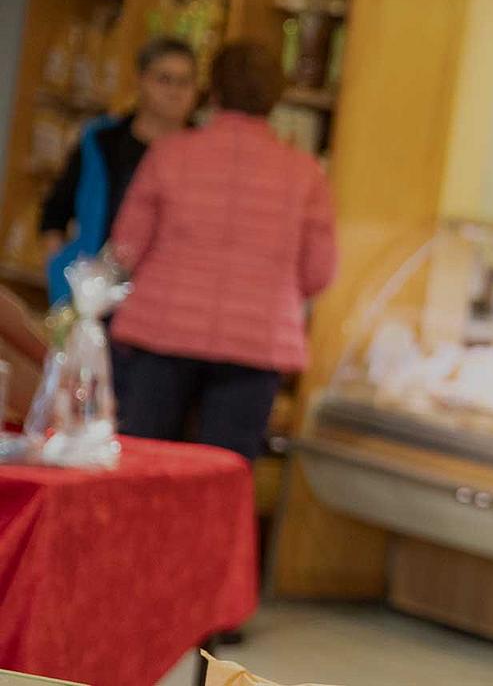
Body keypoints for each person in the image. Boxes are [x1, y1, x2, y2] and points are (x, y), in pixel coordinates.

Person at [106, 42, 336, 463]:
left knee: (139, 466)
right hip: (256, 343)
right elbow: (319, 271)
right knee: (220, 478)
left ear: (212, 92)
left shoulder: (170, 153)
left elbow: (125, 250)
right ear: (275, 97)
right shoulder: (305, 174)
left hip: (161, 332)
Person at [41, 37, 197, 304]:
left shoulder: (201, 151)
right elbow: (56, 210)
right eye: (164, 79)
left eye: (185, 82)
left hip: (167, 294)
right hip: (95, 290)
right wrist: (60, 270)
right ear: (141, 80)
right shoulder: (103, 140)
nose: (175, 92)